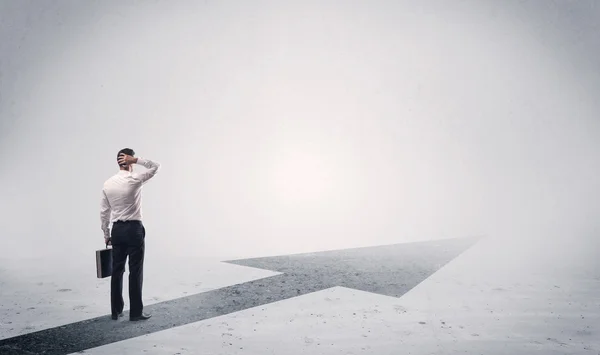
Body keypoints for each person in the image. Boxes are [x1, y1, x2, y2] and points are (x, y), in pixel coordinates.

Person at [100, 148, 161, 321]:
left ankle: (116, 311)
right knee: (135, 271)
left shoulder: (108, 183)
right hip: (134, 229)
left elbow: (104, 212)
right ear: (129, 161)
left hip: (117, 230)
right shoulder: (135, 179)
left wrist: (106, 233)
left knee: (117, 270)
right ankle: (135, 313)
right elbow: (156, 166)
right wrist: (136, 160)